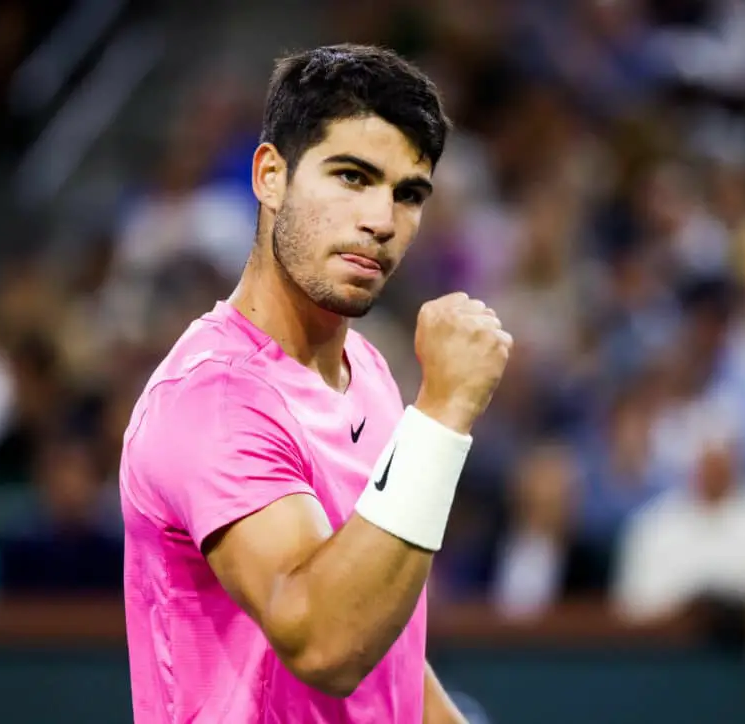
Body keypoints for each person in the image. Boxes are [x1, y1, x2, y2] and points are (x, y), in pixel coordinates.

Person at [119, 44, 512, 723]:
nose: (382, 222)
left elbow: (381, 640)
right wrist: (443, 410)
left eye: (408, 194)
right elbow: (326, 643)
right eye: (352, 177)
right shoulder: (212, 399)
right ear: (271, 176)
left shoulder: (369, 371)